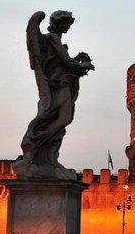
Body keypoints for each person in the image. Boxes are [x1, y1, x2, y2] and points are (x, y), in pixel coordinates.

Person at [15, 10, 95, 180]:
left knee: (64, 119)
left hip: (63, 83)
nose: (68, 27)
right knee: (63, 118)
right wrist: (83, 64)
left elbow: (65, 64)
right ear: (57, 23)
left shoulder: (55, 40)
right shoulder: (52, 38)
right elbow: (66, 62)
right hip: (57, 86)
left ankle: (48, 157)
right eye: (66, 24)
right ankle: (36, 143)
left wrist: (79, 63)